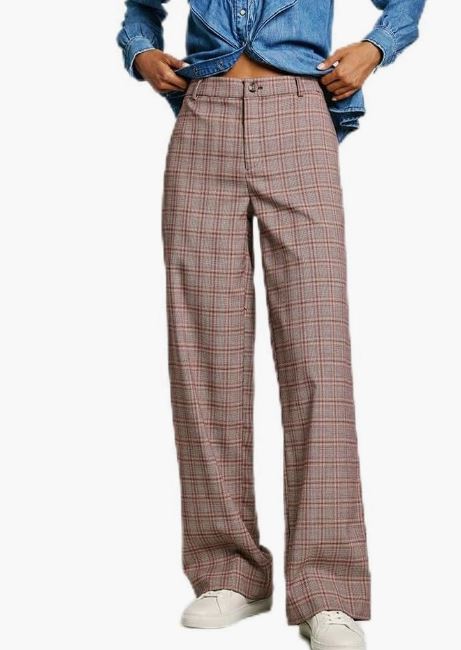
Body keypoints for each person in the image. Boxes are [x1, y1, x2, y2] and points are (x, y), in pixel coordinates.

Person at [117, 1, 426, 648]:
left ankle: (327, 589)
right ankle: (229, 571)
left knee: (317, 359)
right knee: (206, 356)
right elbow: (139, 10)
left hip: (298, 115)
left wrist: (376, 47)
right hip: (203, 118)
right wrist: (140, 51)